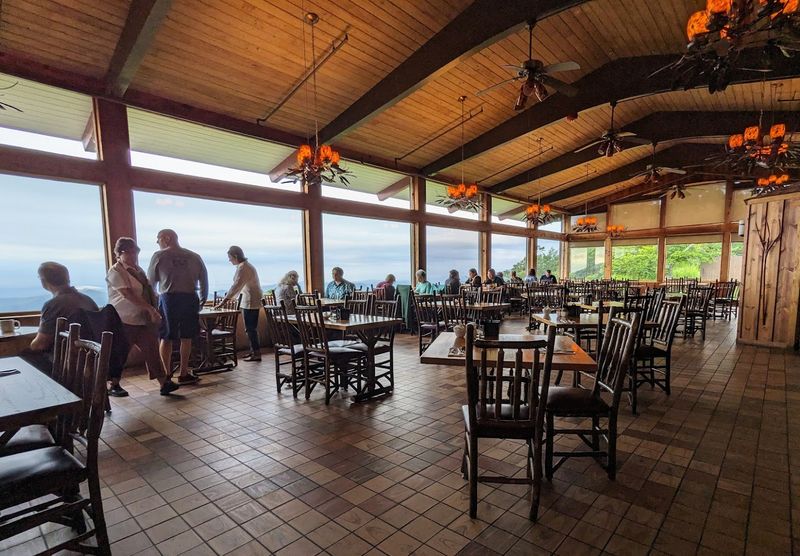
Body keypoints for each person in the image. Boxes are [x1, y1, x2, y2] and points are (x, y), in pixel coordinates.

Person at [106, 238, 179, 396]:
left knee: (151, 349)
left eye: (135, 251)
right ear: (119, 253)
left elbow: (147, 290)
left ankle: (163, 383)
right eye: (129, 252)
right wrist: (149, 308)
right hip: (123, 318)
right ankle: (114, 384)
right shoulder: (116, 271)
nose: (133, 255)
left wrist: (154, 307)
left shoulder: (137, 270)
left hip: (141, 319)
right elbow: (127, 294)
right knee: (121, 352)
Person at [147, 229, 208, 385]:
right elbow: (204, 280)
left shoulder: (159, 256)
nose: (158, 243)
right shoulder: (195, 256)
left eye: (158, 239)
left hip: (169, 299)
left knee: (166, 337)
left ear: (166, 238)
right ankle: (183, 372)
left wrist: (152, 305)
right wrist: (202, 300)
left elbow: (150, 283)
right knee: (186, 337)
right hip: (190, 297)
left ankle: (167, 374)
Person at [24, 262, 98, 372]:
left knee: (22, 358)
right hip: (92, 360)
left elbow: (40, 345)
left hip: (64, 363)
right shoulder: (88, 300)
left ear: (44, 281)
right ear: (67, 278)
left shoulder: (53, 305)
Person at [216, 246, 263, 362]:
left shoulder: (244, 268)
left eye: (230, 257)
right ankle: (254, 352)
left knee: (250, 329)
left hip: (250, 301)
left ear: (236, 256)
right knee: (250, 328)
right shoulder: (244, 266)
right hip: (249, 300)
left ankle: (256, 354)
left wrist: (224, 301)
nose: (229, 260)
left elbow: (236, 286)